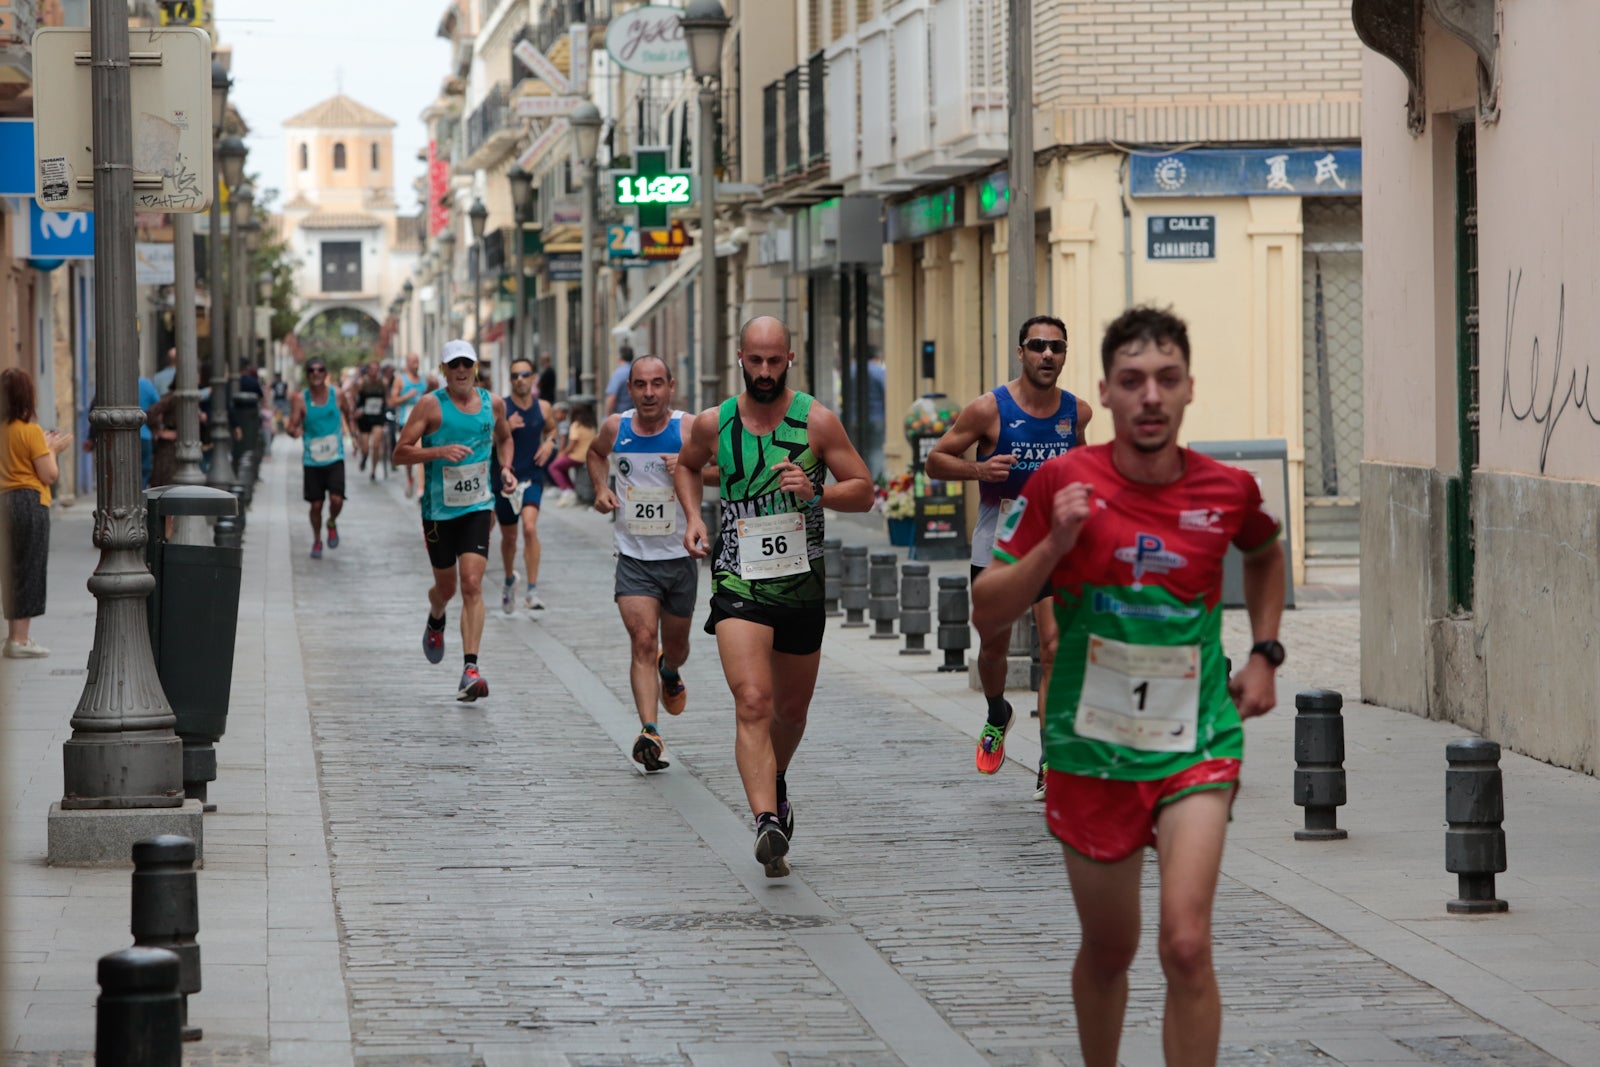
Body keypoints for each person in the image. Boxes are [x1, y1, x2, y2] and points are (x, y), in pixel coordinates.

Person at [971, 306, 1284, 1067]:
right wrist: (1055, 543)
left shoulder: (1227, 488)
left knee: (1184, 941)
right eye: (1133, 380)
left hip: (1197, 734)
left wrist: (1265, 653)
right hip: (1091, 745)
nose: (1151, 395)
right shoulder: (1062, 481)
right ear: (1104, 395)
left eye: (1167, 380)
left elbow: (1267, 551)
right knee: (1112, 949)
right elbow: (989, 611)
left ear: (1187, 392)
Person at [675, 316, 874, 878]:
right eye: (754, 361)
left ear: (790, 357)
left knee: (790, 710)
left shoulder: (816, 421)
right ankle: (766, 821)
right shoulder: (715, 424)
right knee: (753, 702)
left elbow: (864, 491)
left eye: (774, 361)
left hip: (801, 586)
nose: (764, 372)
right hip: (738, 581)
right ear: (739, 356)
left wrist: (819, 492)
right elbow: (688, 468)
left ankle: (776, 781)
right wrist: (693, 517)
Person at [925, 314, 1092, 799]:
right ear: (1020, 352)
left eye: (1057, 347)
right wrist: (980, 469)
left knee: (1055, 648)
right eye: (1038, 345)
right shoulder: (988, 410)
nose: (1047, 355)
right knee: (993, 649)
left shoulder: (1077, 413)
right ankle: (998, 712)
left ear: (1064, 355)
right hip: (998, 546)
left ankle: (1051, 759)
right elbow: (936, 459)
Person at [587, 356, 695, 773]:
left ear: (671, 385)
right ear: (630, 389)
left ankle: (672, 670)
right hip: (634, 558)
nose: (649, 393)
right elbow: (594, 455)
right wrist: (600, 488)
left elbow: (726, 471)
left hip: (681, 556)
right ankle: (650, 732)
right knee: (643, 641)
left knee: (677, 648)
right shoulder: (617, 427)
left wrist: (690, 467)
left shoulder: (688, 428)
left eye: (657, 384)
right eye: (640, 385)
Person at [392, 340, 515, 703]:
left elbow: (505, 438)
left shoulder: (493, 404)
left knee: (473, 583)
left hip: (478, 507)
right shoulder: (431, 405)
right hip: (438, 512)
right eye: (453, 364)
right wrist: (438, 451)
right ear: (444, 370)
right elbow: (400, 452)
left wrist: (506, 468)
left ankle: (470, 668)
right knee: (446, 588)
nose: (461, 370)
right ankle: (436, 614)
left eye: (467, 364)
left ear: (475, 367)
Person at [1, 368, 72, 658]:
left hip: (4, 501)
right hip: (30, 502)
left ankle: (11, 637)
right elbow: (49, 474)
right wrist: (52, 449)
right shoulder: (30, 431)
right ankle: (21, 639)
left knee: (11, 569)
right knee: (29, 566)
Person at [495, 356, 557, 613]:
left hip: (532, 475)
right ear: (510, 380)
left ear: (533, 378)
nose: (520, 379)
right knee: (509, 538)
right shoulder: (501, 408)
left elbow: (553, 430)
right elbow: (485, 440)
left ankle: (532, 590)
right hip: (505, 478)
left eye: (525, 374)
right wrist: (504, 428)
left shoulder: (543, 408)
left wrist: (550, 443)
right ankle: (510, 579)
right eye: (515, 375)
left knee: (529, 529)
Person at [285, 358, 346, 559]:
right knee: (316, 504)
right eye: (311, 370)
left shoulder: (337, 395)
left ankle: (331, 522)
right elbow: (292, 426)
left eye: (320, 369)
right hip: (312, 460)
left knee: (336, 500)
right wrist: (293, 431)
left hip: (335, 457)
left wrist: (352, 431)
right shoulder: (301, 399)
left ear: (325, 373)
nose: (316, 373)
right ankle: (317, 539)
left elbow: (348, 411)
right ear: (307, 374)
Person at [389, 352, 435, 499]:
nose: (416, 364)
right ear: (407, 364)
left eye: (417, 361)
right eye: (413, 362)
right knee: (409, 457)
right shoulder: (400, 380)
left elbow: (432, 392)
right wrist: (407, 397)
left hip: (423, 423)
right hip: (406, 422)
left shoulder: (424, 380)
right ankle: (410, 478)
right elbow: (392, 401)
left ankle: (421, 488)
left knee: (421, 453)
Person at [548, 402, 595, 506]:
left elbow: (572, 444)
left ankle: (566, 490)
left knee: (553, 467)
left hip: (577, 456)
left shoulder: (576, 425)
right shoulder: (591, 426)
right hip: (587, 456)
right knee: (561, 467)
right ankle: (570, 489)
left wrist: (563, 453)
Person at [355, 362, 389, 480]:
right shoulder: (361, 382)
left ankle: (373, 471)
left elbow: (386, 399)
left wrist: (387, 412)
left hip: (377, 416)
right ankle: (364, 457)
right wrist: (356, 410)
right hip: (364, 417)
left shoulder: (383, 383)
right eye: (372, 369)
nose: (374, 371)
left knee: (376, 444)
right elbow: (355, 398)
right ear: (368, 370)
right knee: (365, 448)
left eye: (376, 369)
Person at [603, 343, 635, 417]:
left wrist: (608, 417)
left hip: (620, 416)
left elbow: (612, 397)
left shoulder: (619, 374)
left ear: (619, 358)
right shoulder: (634, 371)